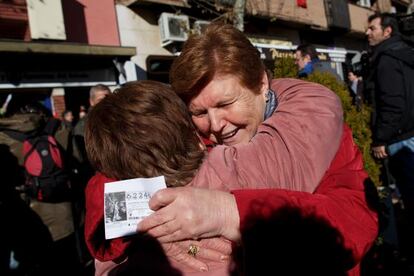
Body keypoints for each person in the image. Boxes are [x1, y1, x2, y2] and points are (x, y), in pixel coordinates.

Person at [138, 23, 378, 276]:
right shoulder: (191, 143)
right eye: (199, 112)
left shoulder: (318, 130)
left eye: (226, 103)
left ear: (262, 83)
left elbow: (354, 224)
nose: (216, 125)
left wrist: (230, 213)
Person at [366, 12, 414, 269]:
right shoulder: (405, 53)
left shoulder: (386, 60)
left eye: (372, 28)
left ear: (387, 31)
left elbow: (393, 105)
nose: (367, 32)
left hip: (399, 140)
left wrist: (380, 139)